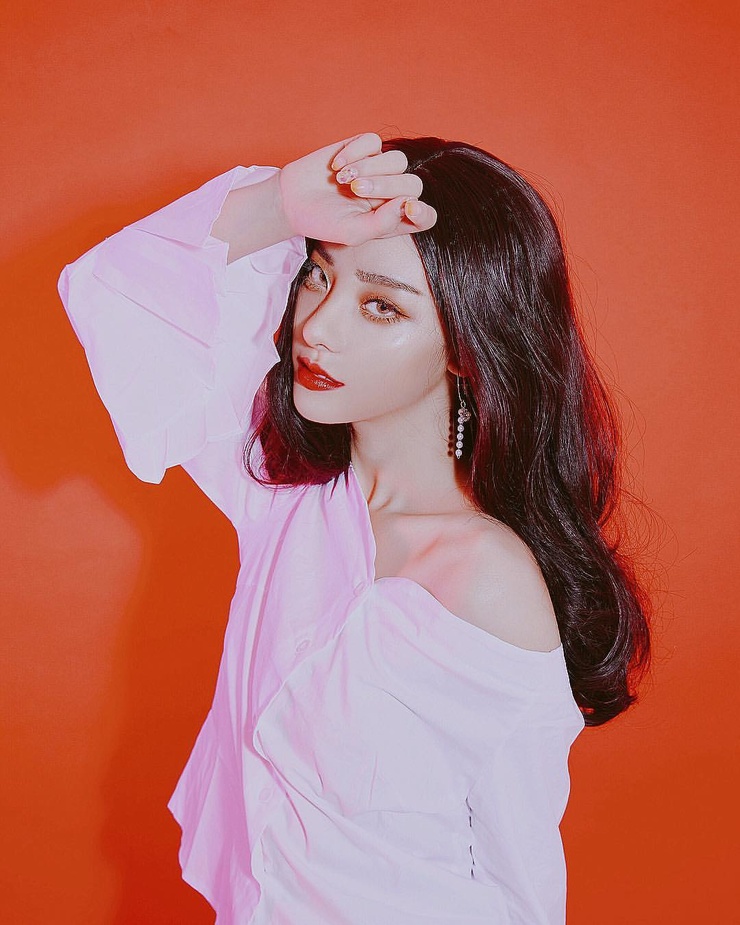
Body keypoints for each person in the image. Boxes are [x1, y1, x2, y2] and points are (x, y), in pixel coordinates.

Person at [58, 131, 651, 924]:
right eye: (318, 273)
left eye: (382, 305)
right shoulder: (287, 497)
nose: (318, 328)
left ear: (467, 347)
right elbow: (115, 291)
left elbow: (522, 878)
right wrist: (280, 208)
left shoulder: (484, 577)